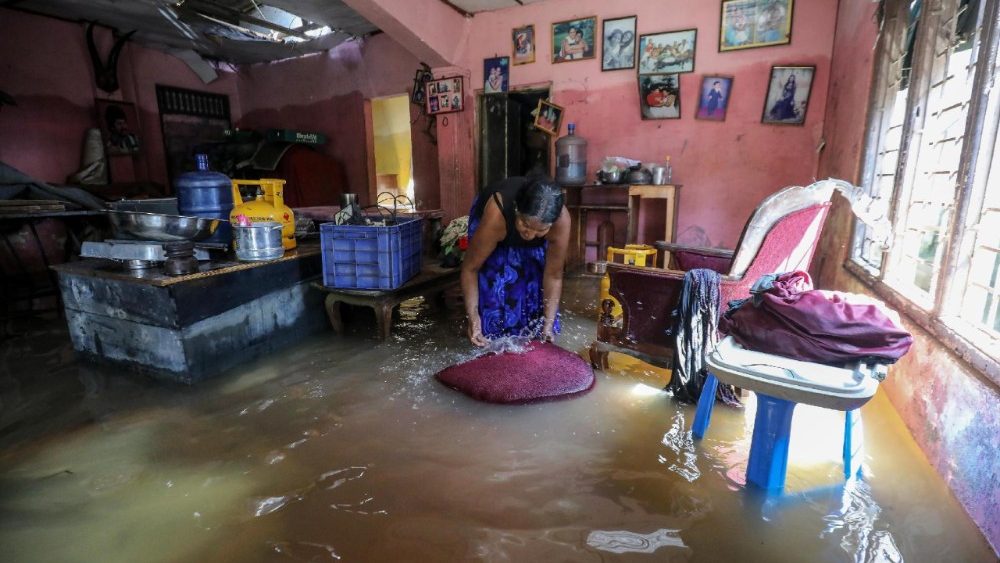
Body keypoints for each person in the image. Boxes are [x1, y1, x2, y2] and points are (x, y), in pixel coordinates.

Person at [461, 175, 570, 346]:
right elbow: (470, 269)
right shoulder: (497, 215)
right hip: (498, 224)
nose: (530, 235)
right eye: (525, 225)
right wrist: (473, 318)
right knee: (494, 295)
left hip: (517, 225)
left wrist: (548, 325)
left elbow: (554, 275)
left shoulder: (560, 221)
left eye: (540, 230)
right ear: (517, 210)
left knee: (535, 293)